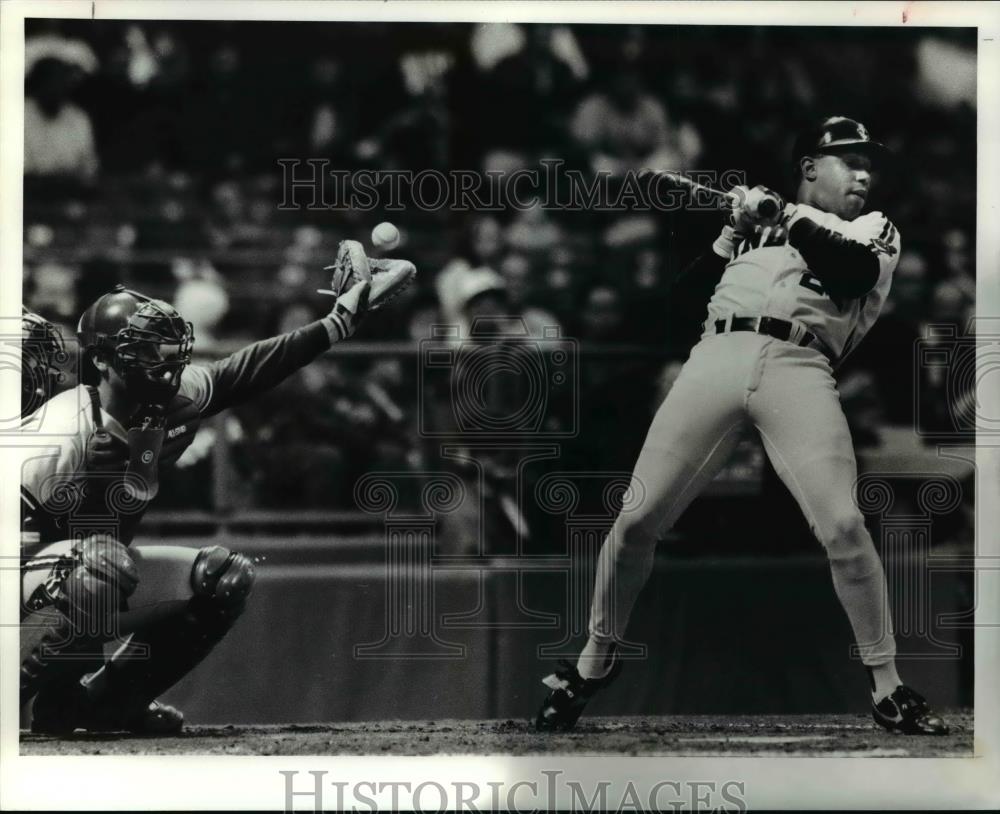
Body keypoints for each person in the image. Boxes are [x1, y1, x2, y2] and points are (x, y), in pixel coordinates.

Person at [534, 116, 949, 736]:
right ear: (810, 166)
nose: (865, 172)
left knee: (842, 523)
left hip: (800, 365)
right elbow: (678, 313)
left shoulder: (871, 229)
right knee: (635, 518)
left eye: (870, 162)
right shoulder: (754, 229)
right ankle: (595, 661)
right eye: (848, 159)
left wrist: (786, 216)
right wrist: (731, 232)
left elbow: (852, 276)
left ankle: (886, 684)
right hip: (715, 358)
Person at [19, 247, 414, 734]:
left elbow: (247, 368)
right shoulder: (56, 433)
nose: (161, 364)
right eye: (141, 351)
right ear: (102, 362)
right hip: (26, 584)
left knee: (222, 576)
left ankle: (100, 704)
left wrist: (338, 321)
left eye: (162, 349)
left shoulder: (168, 398)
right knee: (99, 565)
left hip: (80, 574)